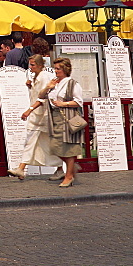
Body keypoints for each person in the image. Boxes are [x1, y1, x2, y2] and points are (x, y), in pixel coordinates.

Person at [8, 54, 61, 180]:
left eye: (33, 65)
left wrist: (29, 110)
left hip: (41, 115)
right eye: (30, 65)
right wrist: (30, 86)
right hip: (39, 116)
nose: (30, 67)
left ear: (40, 65)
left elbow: (42, 97)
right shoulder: (37, 76)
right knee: (39, 142)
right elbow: (37, 93)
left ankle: (21, 168)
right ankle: (59, 168)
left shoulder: (44, 77)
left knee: (32, 141)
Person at [38, 57, 85, 188]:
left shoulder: (72, 84)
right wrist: (48, 87)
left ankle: (68, 176)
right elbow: (41, 96)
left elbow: (78, 101)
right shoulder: (55, 83)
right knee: (54, 147)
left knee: (68, 148)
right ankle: (72, 167)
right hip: (54, 118)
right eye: (55, 68)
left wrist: (63, 103)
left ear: (65, 69)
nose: (56, 71)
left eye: (58, 69)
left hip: (67, 118)